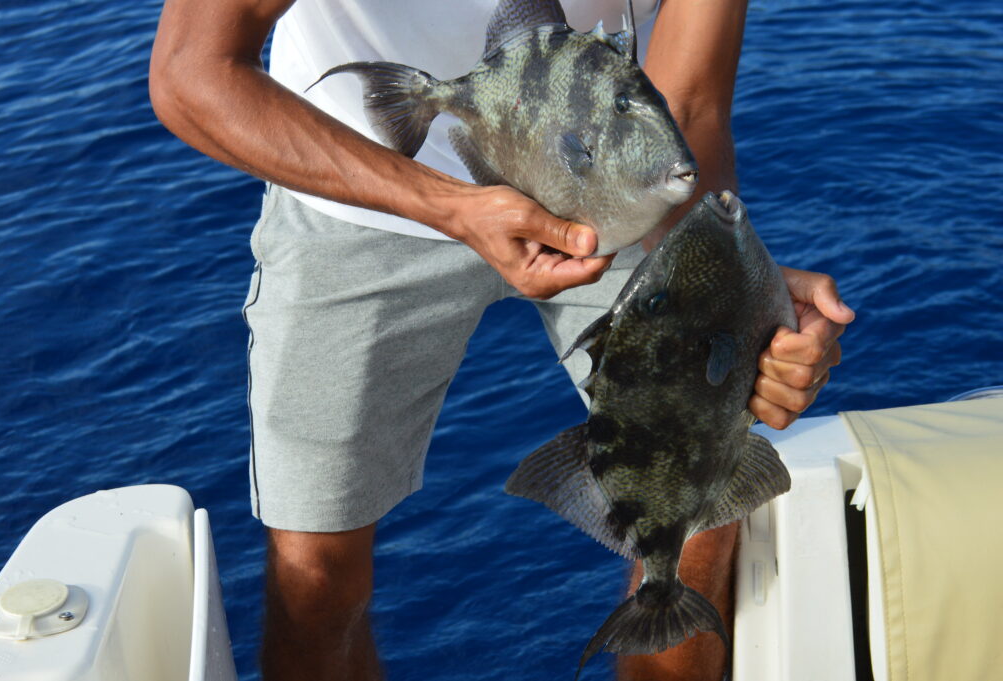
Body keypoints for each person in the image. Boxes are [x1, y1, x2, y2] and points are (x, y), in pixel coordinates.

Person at [149, 1, 853, 679]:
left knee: (696, 509)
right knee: (315, 570)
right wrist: (451, 205)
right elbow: (191, 70)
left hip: (605, 178)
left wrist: (730, 287)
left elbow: (690, 107)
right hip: (356, 179)